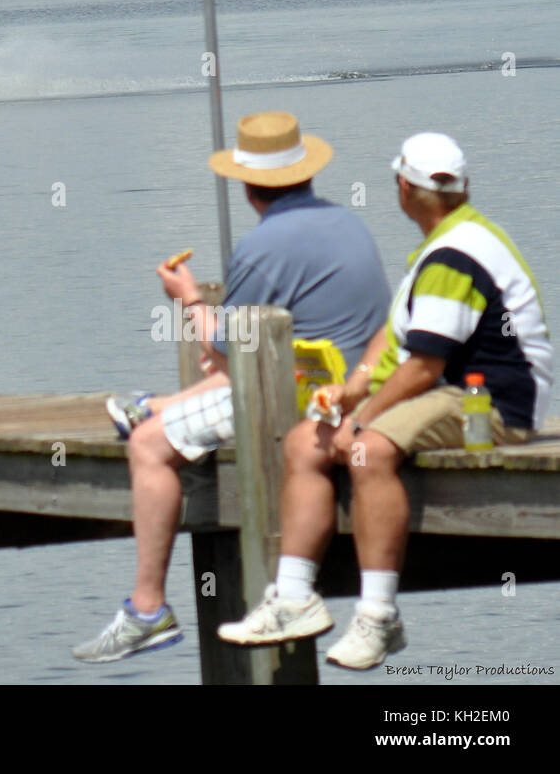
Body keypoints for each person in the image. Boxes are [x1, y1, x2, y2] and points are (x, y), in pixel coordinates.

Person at [218, 132, 551, 669]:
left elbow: (424, 364)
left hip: (493, 404)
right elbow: (394, 338)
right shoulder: (444, 241)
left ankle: (378, 617)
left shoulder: (455, 254)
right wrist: (352, 390)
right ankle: (294, 596)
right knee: (306, 440)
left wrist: (364, 418)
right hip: (451, 391)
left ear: (403, 186)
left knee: (366, 450)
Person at [72, 111, 391, 663]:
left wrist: (189, 299)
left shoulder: (262, 247)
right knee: (214, 386)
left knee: (149, 445)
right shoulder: (349, 222)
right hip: (357, 387)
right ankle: (155, 405)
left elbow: (227, 352)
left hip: (298, 400)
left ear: (248, 187)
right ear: (307, 173)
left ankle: (148, 609)